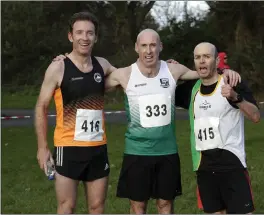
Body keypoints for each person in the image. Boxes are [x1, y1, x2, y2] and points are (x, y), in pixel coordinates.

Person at [105, 29, 241, 214]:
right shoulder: (124, 74)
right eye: (144, 46)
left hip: (167, 152)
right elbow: (92, 80)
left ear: (160, 46)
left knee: (165, 205)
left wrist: (225, 70)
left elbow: (203, 72)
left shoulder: (172, 70)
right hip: (137, 153)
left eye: (153, 45)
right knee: (137, 206)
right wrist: (70, 61)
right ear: (136, 48)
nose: (149, 50)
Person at [35, 12, 117, 214]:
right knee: (66, 206)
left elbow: (128, 77)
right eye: (79, 32)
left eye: (90, 33)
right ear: (70, 36)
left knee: (97, 207)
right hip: (68, 148)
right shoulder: (58, 67)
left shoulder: (103, 65)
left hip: (98, 147)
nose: (85, 37)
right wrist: (42, 147)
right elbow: (41, 107)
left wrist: (160, 66)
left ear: (95, 37)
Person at [175, 42, 260, 214]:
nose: (202, 61)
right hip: (204, 166)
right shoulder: (191, 89)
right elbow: (164, 87)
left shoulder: (231, 82)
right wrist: (170, 68)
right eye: (198, 57)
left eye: (206, 57)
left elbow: (256, 116)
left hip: (232, 164)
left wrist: (236, 97)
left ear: (216, 60)